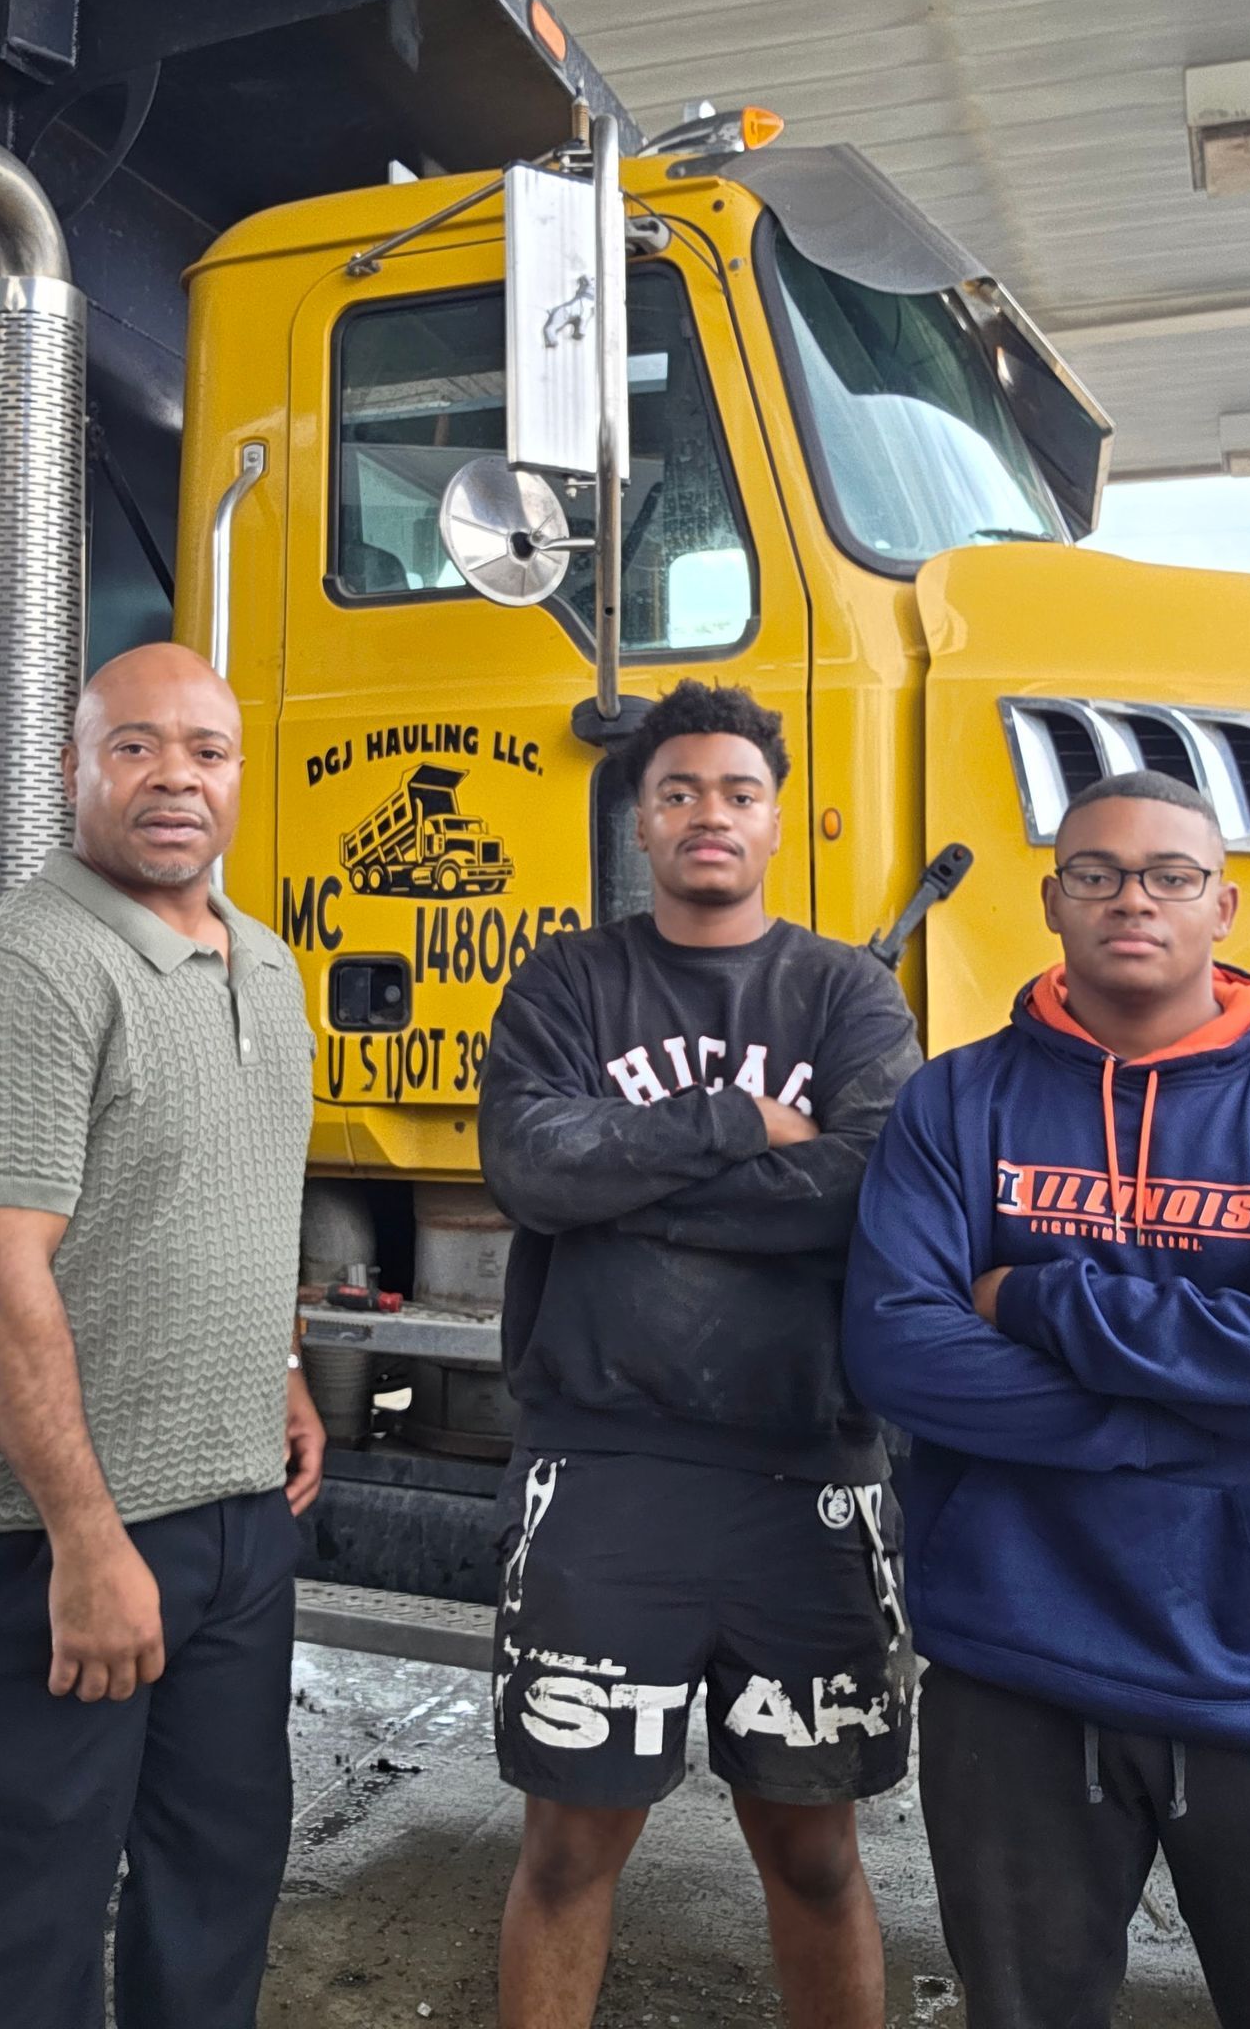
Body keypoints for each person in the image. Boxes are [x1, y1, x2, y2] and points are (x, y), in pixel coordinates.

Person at [843, 770, 1250, 2029]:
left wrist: (1041, 1303)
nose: (1130, 899)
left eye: (1170, 876)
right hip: (1014, 1676)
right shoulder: (956, 1102)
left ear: (1226, 904)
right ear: (1052, 899)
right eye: (1095, 873)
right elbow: (899, 1351)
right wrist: (1191, 1416)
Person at [478, 679, 924, 2029]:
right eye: (679, 795)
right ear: (643, 824)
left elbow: (869, 1188)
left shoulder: (844, 992)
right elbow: (529, 1168)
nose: (707, 816)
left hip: (808, 1480)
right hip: (606, 1476)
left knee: (815, 1850)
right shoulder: (568, 982)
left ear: (777, 821)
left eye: (736, 793)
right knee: (568, 1846)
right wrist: (739, 1122)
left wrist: (635, 1192)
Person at [0, 643, 324, 2029]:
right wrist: (88, 1544)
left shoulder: (263, 963)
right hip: (51, 1538)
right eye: (134, 747)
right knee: (15, 1921)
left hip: (234, 1521)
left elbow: (229, 1192)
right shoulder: (30, 963)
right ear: (74, 771)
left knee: (217, 1884)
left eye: (205, 751)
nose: (175, 780)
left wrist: (278, 1368)